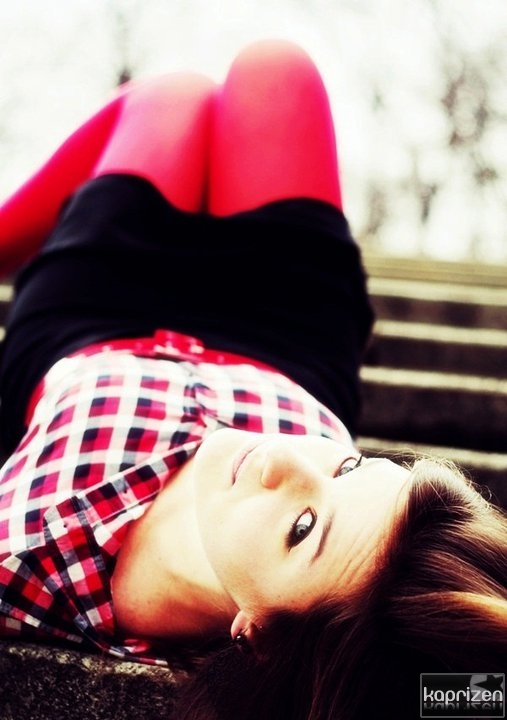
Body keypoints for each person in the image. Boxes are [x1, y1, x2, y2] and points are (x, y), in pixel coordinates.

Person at [0, 39, 505, 720]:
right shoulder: (351, 549)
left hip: (97, 318)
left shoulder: (24, 558)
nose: (282, 458)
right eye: (350, 468)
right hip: (288, 329)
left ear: (259, 639)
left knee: (173, 94)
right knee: (276, 69)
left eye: (302, 528)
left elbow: (464, 699)